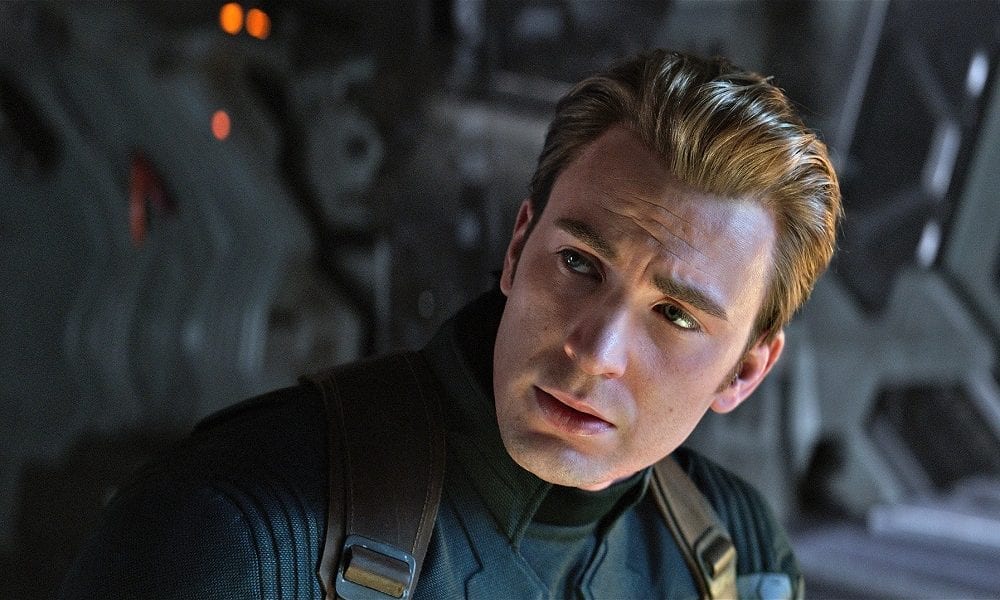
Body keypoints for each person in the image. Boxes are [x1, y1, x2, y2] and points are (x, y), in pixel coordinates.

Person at [61, 49, 840, 600]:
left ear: (745, 371)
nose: (594, 350)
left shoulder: (735, 557)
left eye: (674, 314)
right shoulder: (242, 536)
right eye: (579, 264)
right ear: (518, 247)